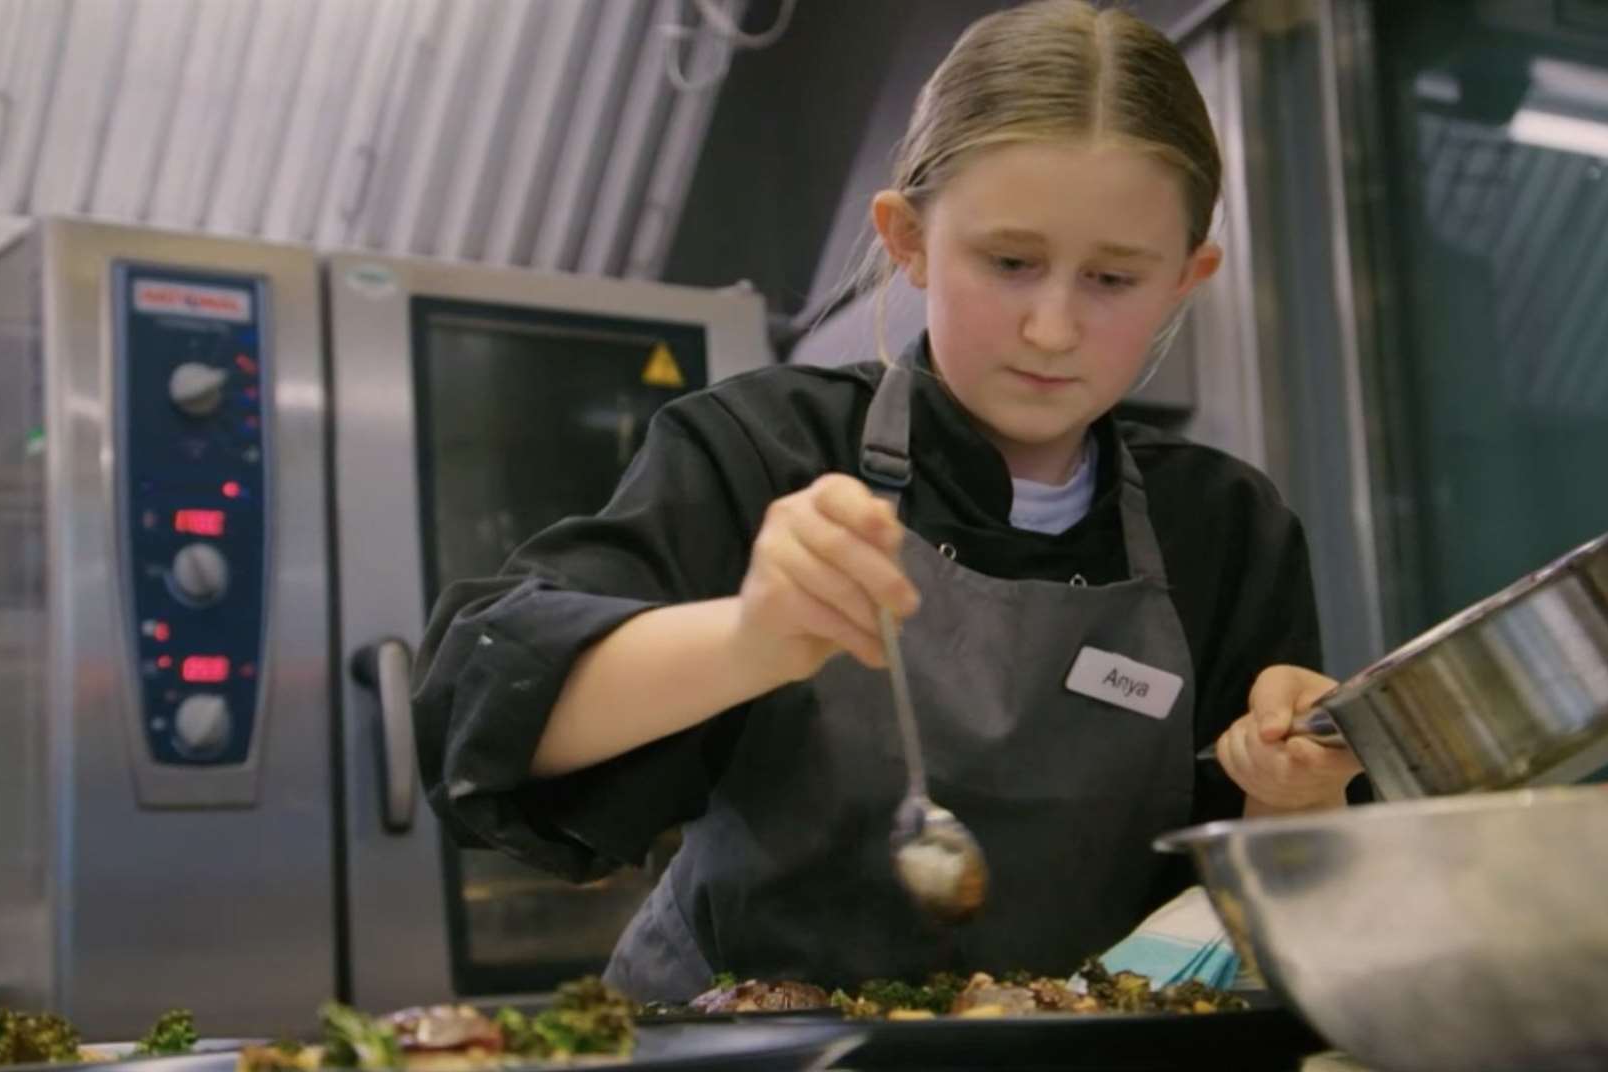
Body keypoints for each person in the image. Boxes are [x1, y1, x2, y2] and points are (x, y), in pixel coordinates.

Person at [413, 0, 1362, 1002]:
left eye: (1113, 278)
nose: (1052, 327)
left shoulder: (1223, 529)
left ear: (1186, 279)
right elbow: (484, 715)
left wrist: (1297, 791)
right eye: (1009, 262)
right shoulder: (761, 449)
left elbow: (1270, 920)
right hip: (759, 1049)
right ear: (907, 238)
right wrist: (748, 638)